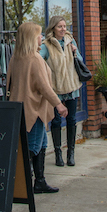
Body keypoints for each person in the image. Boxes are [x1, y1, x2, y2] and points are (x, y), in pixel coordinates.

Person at [8, 22, 67, 194]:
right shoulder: (35, 58)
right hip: (33, 109)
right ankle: (21, 184)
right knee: (32, 147)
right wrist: (58, 104)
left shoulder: (16, 57)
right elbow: (44, 87)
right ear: (30, 38)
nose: (41, 38)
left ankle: (39, 181)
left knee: (41, 144)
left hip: (20, 108)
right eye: (38, 35)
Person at [40, 16, 81, 167]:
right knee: (56, 120)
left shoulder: (71, 41)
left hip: (71, 85)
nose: (63, 29)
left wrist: (75, 52)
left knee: (71, 120)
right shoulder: (47, 45)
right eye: (60, 27)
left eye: (64, 26)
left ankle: (71, 153)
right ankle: (58, 153)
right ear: (53, 28)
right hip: (55, 87)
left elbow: (80, 62)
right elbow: (39, 62)